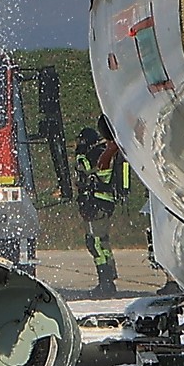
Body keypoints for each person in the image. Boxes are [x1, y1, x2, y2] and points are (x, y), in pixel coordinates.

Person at [70, 118, 129, 293]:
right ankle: (108, 276)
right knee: (102, 241)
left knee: (94, 242)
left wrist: (81, 158)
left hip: (96, 204)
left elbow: (90, 173)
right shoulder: (101, 152)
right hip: (101, 203)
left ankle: (105, 281)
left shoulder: (95, 155)